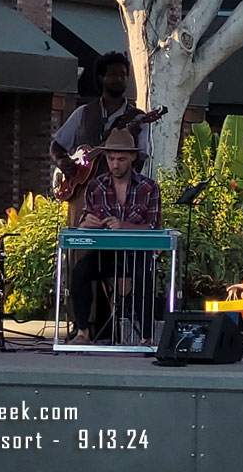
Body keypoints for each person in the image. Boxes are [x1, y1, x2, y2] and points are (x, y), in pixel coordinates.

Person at [67, 128, 161, 345]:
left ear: (133, 158)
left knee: (142, 277)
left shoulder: (149, 188)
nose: (115, 164)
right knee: (80, 271)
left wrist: (124, 225)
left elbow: (154, 227)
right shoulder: (95, 186)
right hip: (105, 253)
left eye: (121, 159)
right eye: (110, 159)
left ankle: (146, 337)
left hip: (136, 252)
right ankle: (82, 332)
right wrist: (86, 224)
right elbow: (83, 221)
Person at [51, 51, 151, 227]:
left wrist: (131, 138)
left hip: (118, 195)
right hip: (81, 192)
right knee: (79, 247)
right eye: (113, 75)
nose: (119, 79)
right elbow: (57, 145)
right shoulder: (83, 113)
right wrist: (61, 161)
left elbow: (139, 162)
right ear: (101, 78)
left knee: (111, 249)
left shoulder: (137, 118)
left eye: (123, 75)